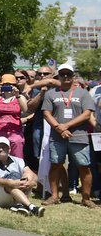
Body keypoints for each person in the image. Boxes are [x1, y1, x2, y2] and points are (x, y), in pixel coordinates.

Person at [41, 63, 97, 208]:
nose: (66, 76)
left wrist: (66, 126)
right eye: (62, 74)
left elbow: (87, 114)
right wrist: (59, 128)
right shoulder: (51, 93)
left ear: (73, 76)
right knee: (56, 165)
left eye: (69, 74)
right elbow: (46, 113)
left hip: (79, 136)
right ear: (58, 76)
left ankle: (86, 198)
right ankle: (54, 196)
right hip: (57, 136)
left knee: (84, 166)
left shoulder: (83, 93)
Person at [0, 137, 45, 216]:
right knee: (8, 184)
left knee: (28, 179)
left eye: (4, 147)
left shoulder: (19, 161)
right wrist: (11, 183)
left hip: (17, 190)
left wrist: (27, 181)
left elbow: (32, 175)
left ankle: (20, 206)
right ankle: (31, 207)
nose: (1, 149)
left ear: (9, 149)